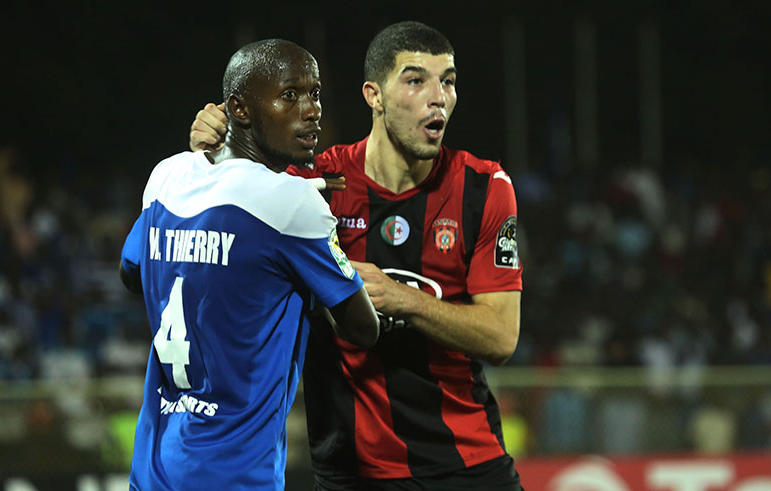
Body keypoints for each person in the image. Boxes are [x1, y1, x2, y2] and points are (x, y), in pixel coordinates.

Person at [191, 21, 523, 490]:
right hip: (351, 472)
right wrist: (209, 153)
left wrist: (401, 297)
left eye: (447, 81)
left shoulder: (485, 188)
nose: (438, 97)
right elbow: (214, 217)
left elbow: (501, 337)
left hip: (466, 465)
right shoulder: (310, 187)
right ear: (374, 95)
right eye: (415, 80)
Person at [120, 39, 379, 490]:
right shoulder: (293, 204)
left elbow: (131, 272)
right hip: (234, 474)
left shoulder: (167, 175)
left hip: (154, 469)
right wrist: (318, 245)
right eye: (290, 94)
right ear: (238, 109)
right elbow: (363, 328)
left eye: (315, 93)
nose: (311, 109)